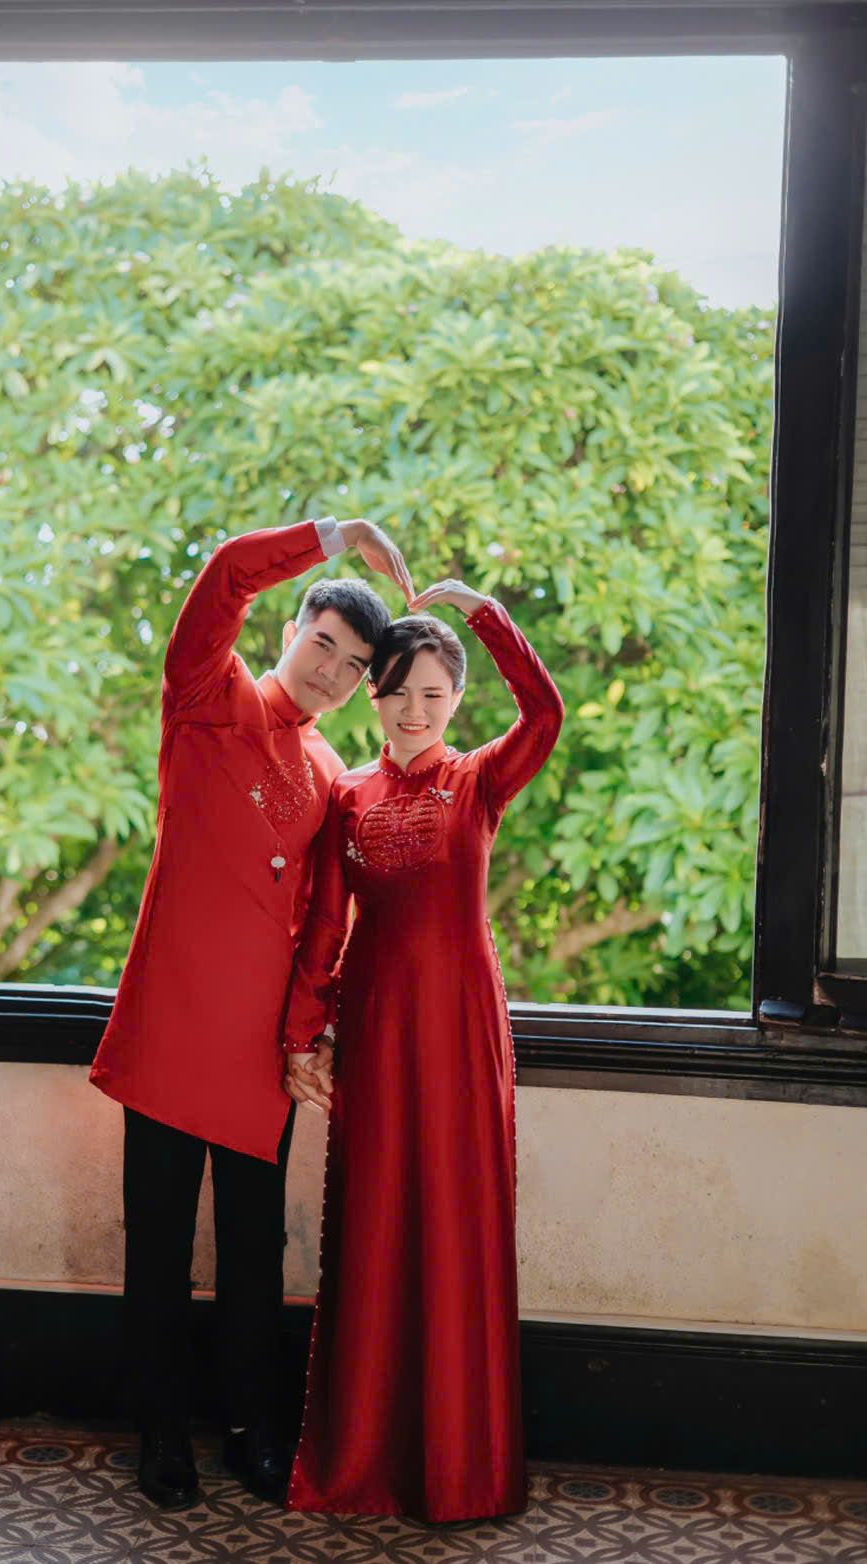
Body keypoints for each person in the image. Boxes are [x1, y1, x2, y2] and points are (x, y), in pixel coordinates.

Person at [89, 514, 412, 1510]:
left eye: (353, 666)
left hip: (260, 1047)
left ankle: (250, 1431)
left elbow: (323, 919)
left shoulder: (330, 774)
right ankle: (159, 1433)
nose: (332, 672)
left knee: (253, 1251)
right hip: (171, 1023)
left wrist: (307, 1032)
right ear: (290, 632)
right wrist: (337, 534)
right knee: (156, 1243)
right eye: (324, 644)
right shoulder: (207, 694)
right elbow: (227, 572)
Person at [282, 578, 564, 1523]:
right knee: (373, 1222)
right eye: (399, 690)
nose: (415, 709)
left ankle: (460, 1466)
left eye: (434, 694)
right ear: (374, 694)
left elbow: (547, 714)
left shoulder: (480, 781)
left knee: (455, 1218)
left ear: (456, 699)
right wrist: (302, 1036)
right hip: (373, 1025)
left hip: (461, 1026)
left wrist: (486, 615)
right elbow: (325, 926)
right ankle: (365, 1456)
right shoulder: (345, 796)